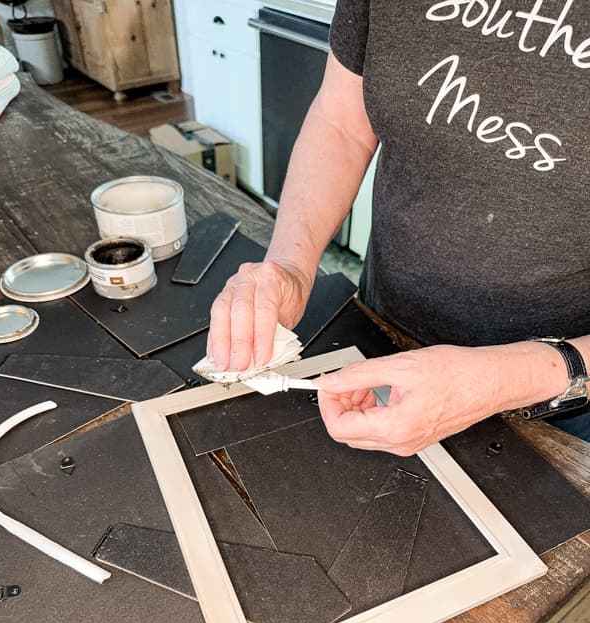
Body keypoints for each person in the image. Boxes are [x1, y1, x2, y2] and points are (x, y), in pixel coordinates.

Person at [208, 0, 590, 452]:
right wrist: (291, 263)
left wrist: (513, 376)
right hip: (383, 327)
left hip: (560, 391)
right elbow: (342, 122)